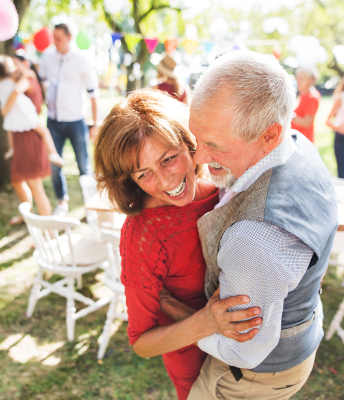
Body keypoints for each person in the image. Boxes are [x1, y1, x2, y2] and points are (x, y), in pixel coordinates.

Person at [160, 50, 338, 400]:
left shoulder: (254, 239)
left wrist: (172, 307)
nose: (198, 158)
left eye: (213, 145)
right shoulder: (298, 144)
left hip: (250, 378)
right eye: (196, 139)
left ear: (269, 135)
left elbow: (244, 350)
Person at [94, 90, 262, 400]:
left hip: (255, 356)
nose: (166, 182)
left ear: (188, 140)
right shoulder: (144, 235)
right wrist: (206, 322)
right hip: (194, 361)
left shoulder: (224, 185)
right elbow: (141, 342)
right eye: (144, 173)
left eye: (169, 159)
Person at [38, 22, 100, 216]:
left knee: (84, 165)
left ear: (69, 38)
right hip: (53, 121)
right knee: (54, 163)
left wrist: (95, 124)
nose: (54, 42)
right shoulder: (47, 56)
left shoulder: (82, 60)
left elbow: (93, 94)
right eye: (53, 38)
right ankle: (62, 201)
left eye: (58, 39)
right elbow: (40, 81)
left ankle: (90, 205)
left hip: (76, 121)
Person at [0, 55, 53, 224]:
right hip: (17, 135)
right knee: (17, 180)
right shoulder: (4, 83)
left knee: (35, 186)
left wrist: (5, 108)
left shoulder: (26, 79)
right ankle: (28, 215)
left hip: (29, 135)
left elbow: (24, 80)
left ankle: (48, 228)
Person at [0, 55, 65, 167]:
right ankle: (53, 154)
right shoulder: (14, 81)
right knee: (43, 131)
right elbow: (28, 76)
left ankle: (12, 149)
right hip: (23, 110)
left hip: (11, 114)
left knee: (9, 130)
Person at [290, 67, 321, 143]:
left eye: (301, 79)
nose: (298, 81)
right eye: (297, 78)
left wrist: (289, 114)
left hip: (303, 141)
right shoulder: (302, 94)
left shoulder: (311, 97)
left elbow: (307, 123)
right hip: (296, 139)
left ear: (311, 80)